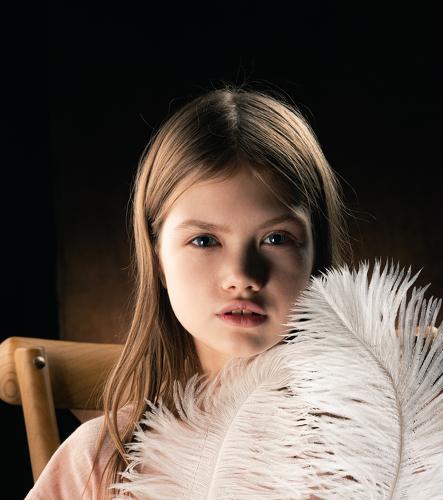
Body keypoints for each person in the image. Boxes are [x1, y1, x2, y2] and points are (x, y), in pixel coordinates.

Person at [25, 83, 353, 499]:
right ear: (158, 259)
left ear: (315, 256)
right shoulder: (103, 461)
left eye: (276, 239)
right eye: (204, 241)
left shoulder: (369, 449)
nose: (241, 275)